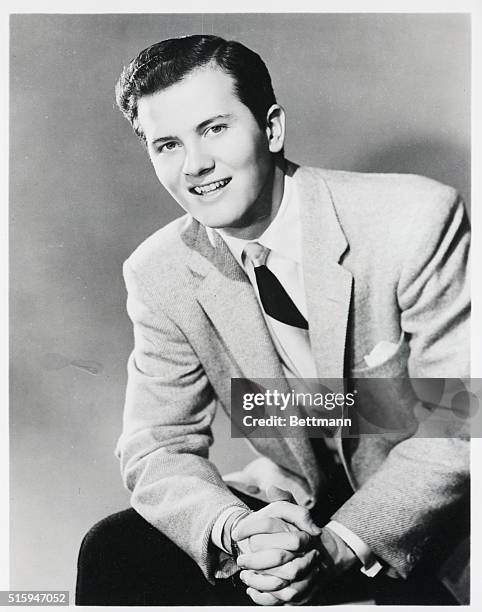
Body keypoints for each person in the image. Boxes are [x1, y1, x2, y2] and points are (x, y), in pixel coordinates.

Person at [76, 34, 470, 605]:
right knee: (116, 549)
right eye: (167, 144)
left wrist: (336, 547)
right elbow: (156, 445)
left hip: (440, 516)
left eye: (215, 128)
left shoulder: (412, 219)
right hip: (303, 502)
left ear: (273, 128)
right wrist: (238, 531)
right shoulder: (159, 272)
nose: (196, 165)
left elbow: (459, 418)